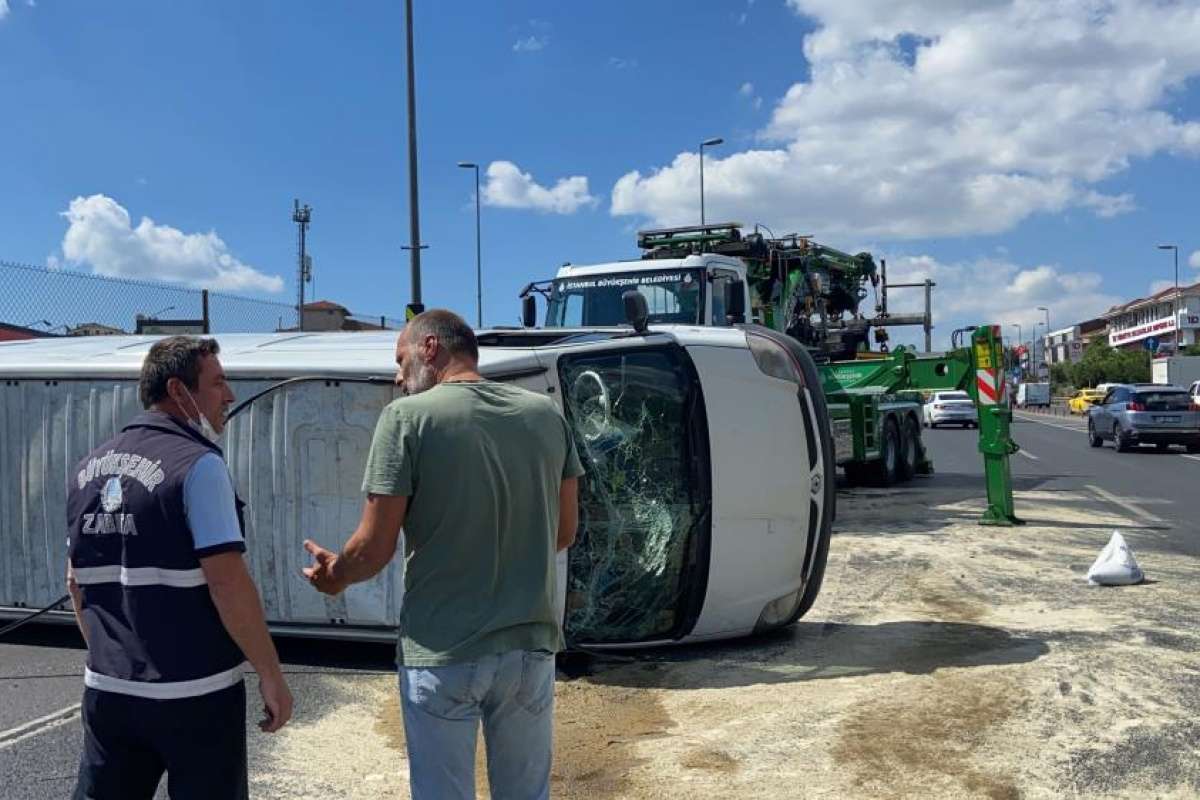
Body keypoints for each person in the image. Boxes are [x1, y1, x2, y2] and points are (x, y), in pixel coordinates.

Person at [303, 309, 584, 800]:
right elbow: (564, 531)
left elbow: (373, 548)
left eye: (400, 358)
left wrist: (335, 576)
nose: (397, 375)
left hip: (443, 650)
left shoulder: (407, 419)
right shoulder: (546, 415)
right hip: (529, 646)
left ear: (429, 348)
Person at [67, 336, 293, 800]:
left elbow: (76, 582)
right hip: (196, 694)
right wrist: (270, 674)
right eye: (218, 382)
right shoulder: (198, 466)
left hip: (109, 691)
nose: (228, 395)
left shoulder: (86, 470)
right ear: (179, 389)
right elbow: (227, 582)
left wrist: (113, 654)